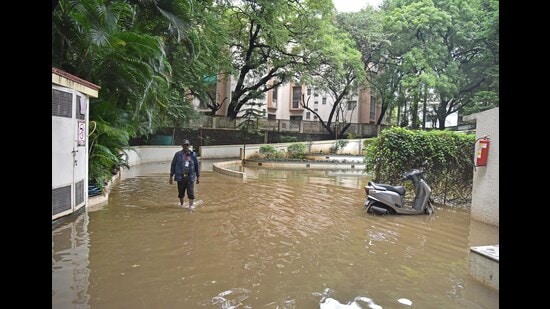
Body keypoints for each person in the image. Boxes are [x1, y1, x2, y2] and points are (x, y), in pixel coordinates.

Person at [169, 139, 200, 207]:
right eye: (184, 145)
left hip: (190, 177)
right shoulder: (178, 155)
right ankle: (182, 205)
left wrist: (198, 176)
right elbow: (173, 165)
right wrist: (171, 176)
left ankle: (190, 206)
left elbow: (197, 165)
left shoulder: (193, 155)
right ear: (182, 146)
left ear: (189, 146)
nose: (186, 146)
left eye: (187, 145)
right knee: (181, 193)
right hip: (180, 177)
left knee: (191, 193)